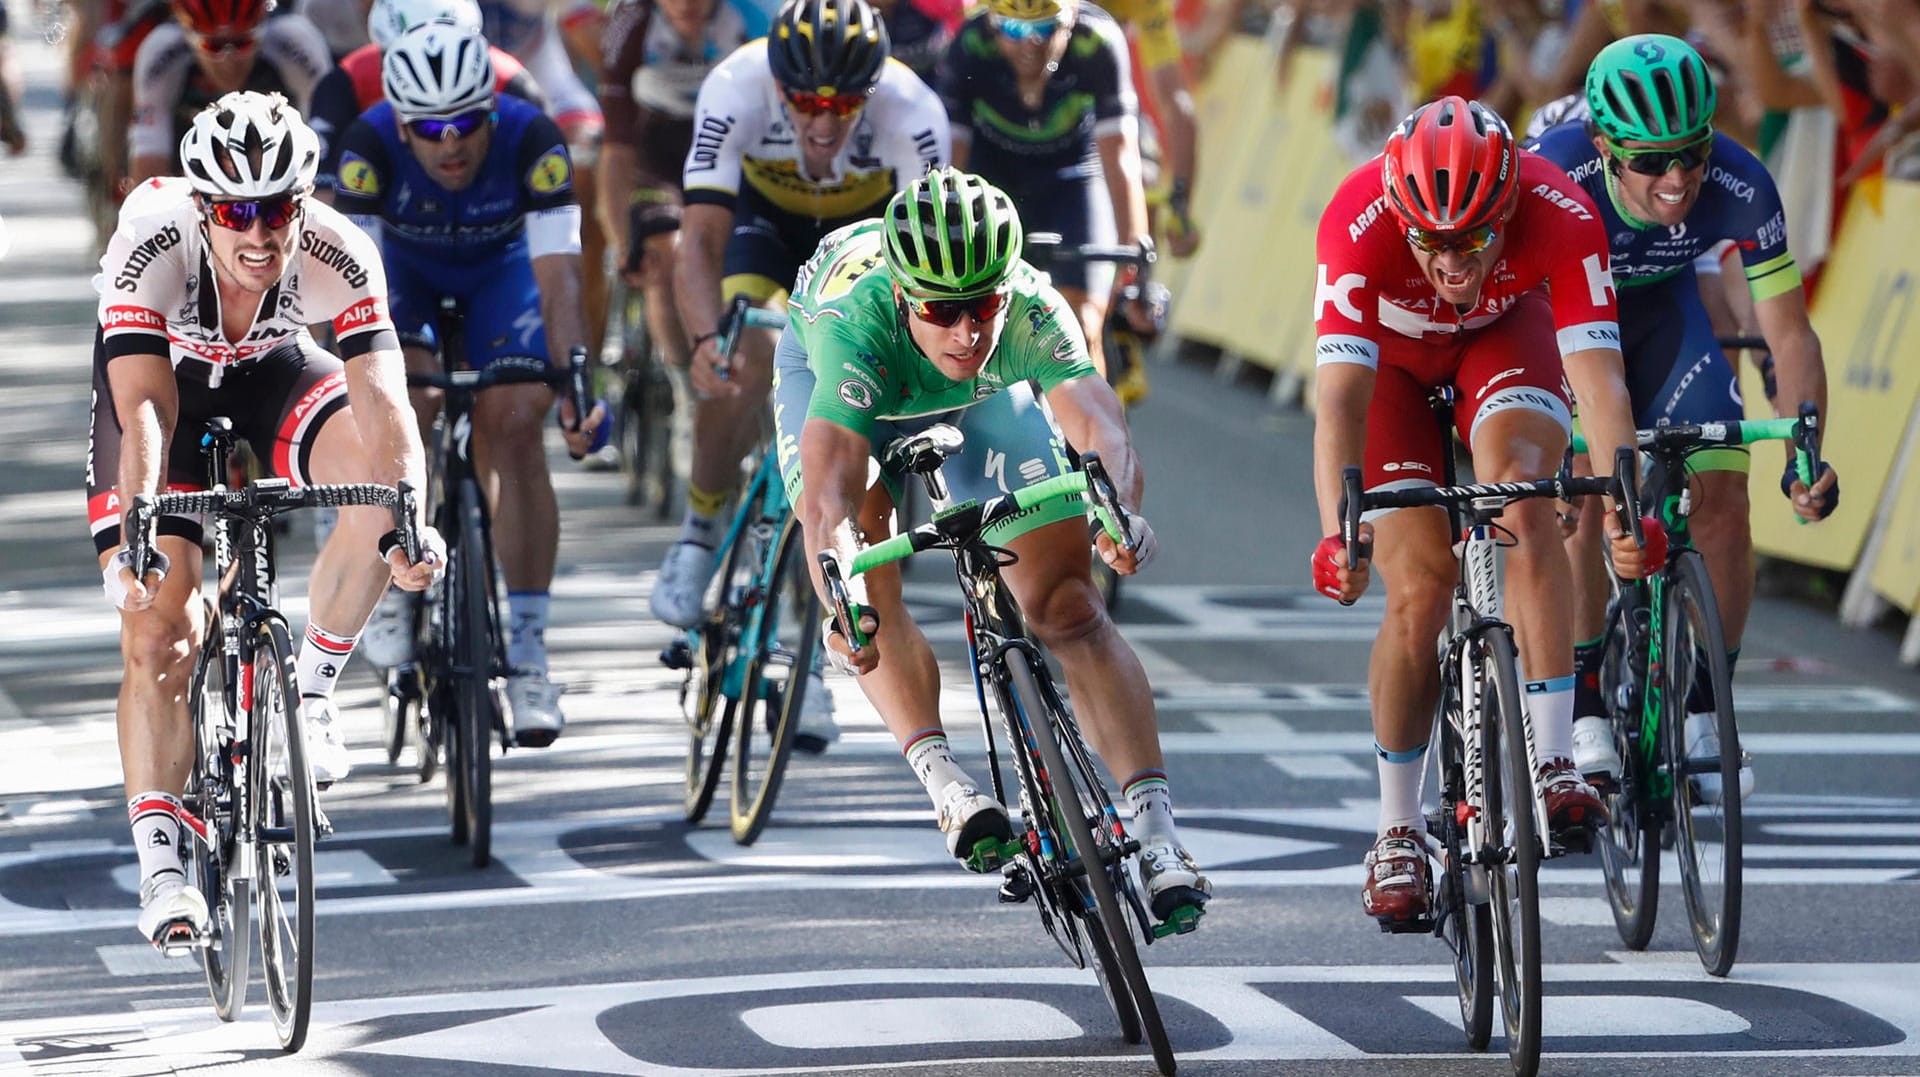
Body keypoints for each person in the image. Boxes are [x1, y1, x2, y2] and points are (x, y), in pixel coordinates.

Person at [782, 166, 1210, 925]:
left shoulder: (1031, 306)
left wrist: (1117, 510)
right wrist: (840, 584)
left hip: (979, 400)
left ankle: (1158, 834)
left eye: (983, 305)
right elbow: (832, 495)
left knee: (1070, 608)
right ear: (908, 296)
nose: (967, 330)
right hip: (860, 393)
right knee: (868, 581)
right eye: (943, 310)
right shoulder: (861, 324)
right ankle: (947, 783)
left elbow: (1098, 424)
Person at [90, 92, 444, 944]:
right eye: (238, 211)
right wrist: (138, 523)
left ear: (305, 199)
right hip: (164, 392)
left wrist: (407, 517)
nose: (261, 233)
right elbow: (139, 408)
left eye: (279, 207)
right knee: (155, 626)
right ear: (204, 208)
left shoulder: (340, 250)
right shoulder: (152, 243)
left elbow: (383, 398)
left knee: (374, 494)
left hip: (279, 372)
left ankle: (311, 696)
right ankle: (164, 868)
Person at [1309, 96, 1662, 927]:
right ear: (1402, 217)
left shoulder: (1560, 211)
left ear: (1508, 208)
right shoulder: (1355, 221)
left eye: (1474, 238)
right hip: (1390, 369)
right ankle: (1397, 826)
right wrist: (1340, 530)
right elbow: (1340, 405)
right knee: (1418, 587)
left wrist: (1625, 505)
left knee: (1525, 497)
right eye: (1431, 242)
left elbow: (1603, 385)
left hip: (1505, 340)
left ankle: (1552, 758)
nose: (1452, 260)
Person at [1527, 34, 1839, 801]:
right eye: (1650, 161)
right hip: (1558, 318)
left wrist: (1806, 449)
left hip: (1661, 315)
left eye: (1690, 154)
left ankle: (1706, 699)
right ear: (1602, 147)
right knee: (1586, 493)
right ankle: (1588, 692)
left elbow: (1788, 331)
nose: (1677, 178)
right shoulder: (1550, 177)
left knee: (1726, 503)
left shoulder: (1740, 181)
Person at [657, 0, 948, 755]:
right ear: (777, 84)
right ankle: (699, 530)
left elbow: (937, 255)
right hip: (762, 227)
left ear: (873, 90)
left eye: (845, 103)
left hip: (869, 240)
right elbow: (702, 236)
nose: (824, 122)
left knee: (863, 427)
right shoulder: (734, 84)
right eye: (807, 102)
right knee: (739, 359)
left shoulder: (914, 109)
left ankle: (821, 661)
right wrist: (703, 338)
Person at [331, 23, 604, 745]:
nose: (449, 143)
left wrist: (576, 380)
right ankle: (391, 574)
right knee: (401, 404)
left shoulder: (532, 137)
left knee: (513, 421)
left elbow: (560, 281)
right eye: (428, 127)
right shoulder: (367, 145)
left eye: (465, 123)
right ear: (400, 120)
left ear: (491, 110)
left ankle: (531, 652)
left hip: (502, 273)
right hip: (403, 277)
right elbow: (351, 290)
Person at [937, 0, 1154, 398]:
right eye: (1016, 30)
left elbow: (1121, 155)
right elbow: (950, 165)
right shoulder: (970, 44)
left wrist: (1134, 262)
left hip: (1071, 177)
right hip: (993, 176)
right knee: (971, 319)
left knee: (1082, 323)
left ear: (1070, 17)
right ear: (992, 21)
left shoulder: (1098, 41)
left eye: (1046, 28)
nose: (1031, 43)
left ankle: (1093, 452)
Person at [596, 0, 748, 379]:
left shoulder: (754, 12)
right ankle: (686, 383)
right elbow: (616, 149)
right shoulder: (632, 20)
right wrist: (622, 243)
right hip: (655, 158)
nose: (686, 5)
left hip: (733, 152)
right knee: (664, 254)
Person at [307, 0, 548, 201]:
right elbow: (321, 198)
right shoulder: (348, 81)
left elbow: (547, 194)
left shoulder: (513, 85)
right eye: (406, 62)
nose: (433, 84)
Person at [126, 0, 331, 186]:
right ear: (187, 35)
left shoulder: (295, 38)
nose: (228, 61)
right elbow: (150, 150)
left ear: (262, 27)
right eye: (212, 46)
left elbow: (322, 139)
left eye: (243, 43)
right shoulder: (162, 48)